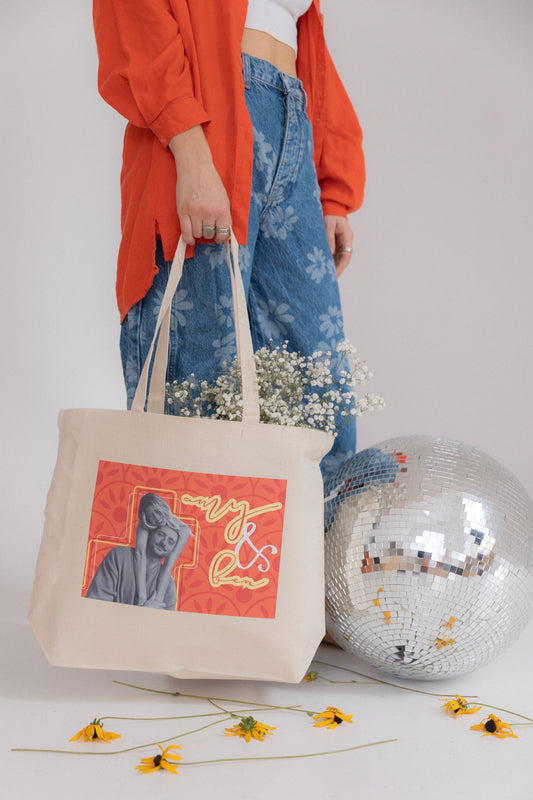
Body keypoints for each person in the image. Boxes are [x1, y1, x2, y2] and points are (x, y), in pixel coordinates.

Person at [92, 0, 365, 479]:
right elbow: (135, 13)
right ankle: (183, 549)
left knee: (319, 389)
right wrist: (189, 148)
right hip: (208, 116)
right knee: (198, 377)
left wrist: (330, 190)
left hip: (292, 119)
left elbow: (311, 48)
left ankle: (308, 552)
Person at [86, 493, 192, 609]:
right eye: (160, 534)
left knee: (167, 568)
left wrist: (157, 601)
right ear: (151, 532)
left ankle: (157, 599)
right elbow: (139, 555)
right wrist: (142, 600)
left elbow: (169, 565)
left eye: (171, 542)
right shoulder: (144, 524)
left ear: (162, 508)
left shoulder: (170, 587)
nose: (156, 518)